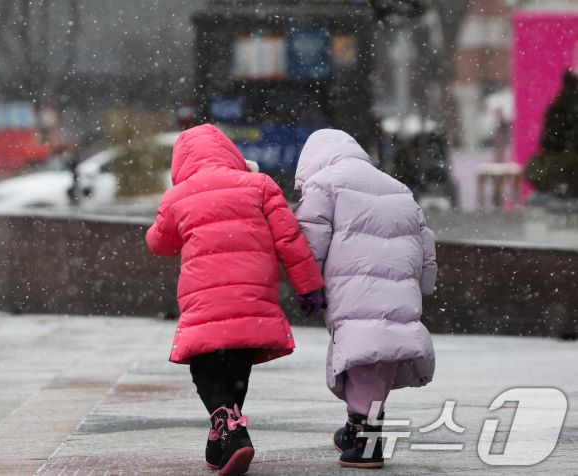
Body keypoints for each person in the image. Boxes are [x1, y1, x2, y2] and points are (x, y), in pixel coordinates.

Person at [145, 124, 324, 475]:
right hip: (253, 294)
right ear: (230, 152)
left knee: (205, 366)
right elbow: (290, 240)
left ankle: (233, 434)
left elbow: (159, 244)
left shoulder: (178, 196)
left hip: (204, 298)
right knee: (237, 367)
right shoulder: (260, 185)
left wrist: (168, 213)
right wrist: (308, 287)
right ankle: (223, 441)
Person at [293, 129, 437, 469]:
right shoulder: (397, 188)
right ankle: (356, 427)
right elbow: (425, 242)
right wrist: (424, 283)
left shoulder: (323, 186)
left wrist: (308, 284)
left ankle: (366, 438)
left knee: (361, 355)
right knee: (379, 357)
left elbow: (310, 240)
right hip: (399, 287)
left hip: (352, 286)